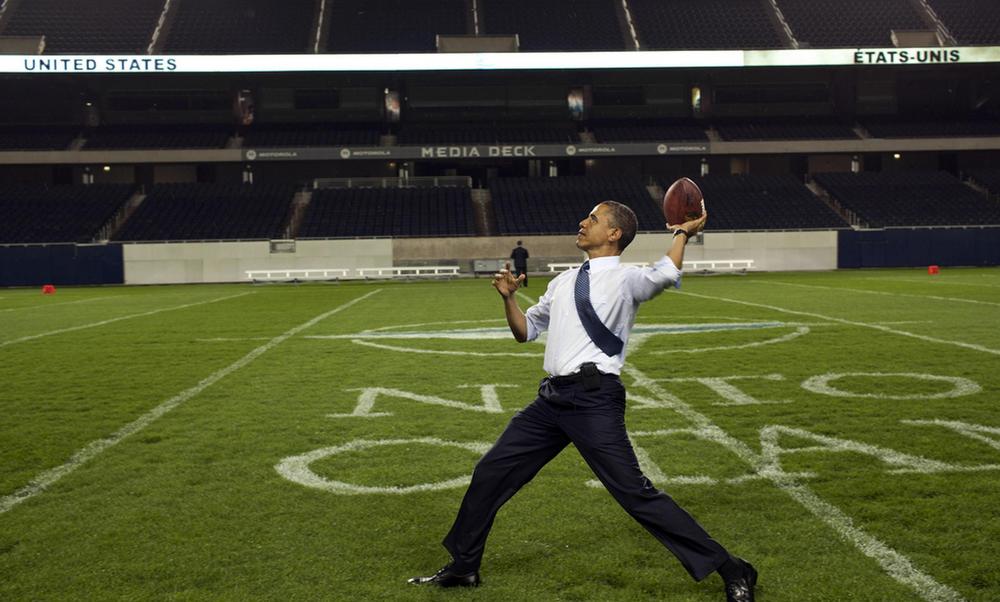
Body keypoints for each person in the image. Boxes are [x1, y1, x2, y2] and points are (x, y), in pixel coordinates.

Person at [409, 200, 758, 601]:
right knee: (491, 472)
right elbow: (526, 331)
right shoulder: (563, 280)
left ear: (614, 234)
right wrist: (508, 298)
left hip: (594, 400)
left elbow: (666, 273)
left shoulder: (627, 279)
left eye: (592, 219)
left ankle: (733, 570)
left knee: (635, 494)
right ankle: (464, 567)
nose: (582, 222)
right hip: (551, 400)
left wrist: (682, 233)